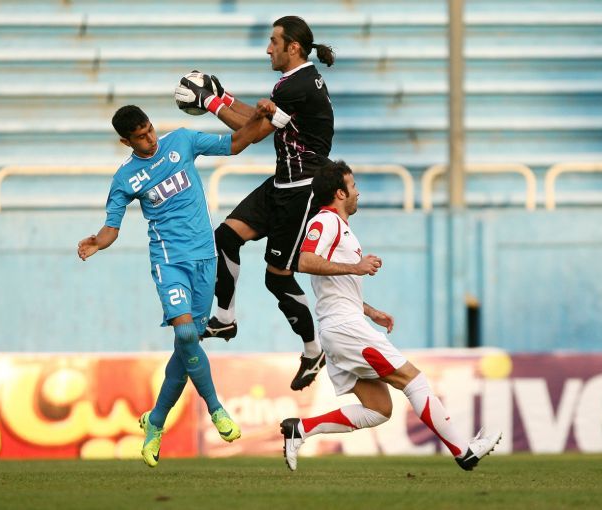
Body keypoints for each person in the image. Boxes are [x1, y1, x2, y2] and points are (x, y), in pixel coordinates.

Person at [77, 102, 273, 468]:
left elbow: (234, 144)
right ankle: (216, 409)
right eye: (140, 137)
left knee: (188, 345)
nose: (150, 139)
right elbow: (111, 227)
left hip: (205, 258)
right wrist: (97, 242)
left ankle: (155, 421)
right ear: (126, 142)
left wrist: (261, 119)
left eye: (150, 130)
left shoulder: (181, 141)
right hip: (169, 261)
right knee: (184, 335)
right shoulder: (125, 178)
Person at [279, 161, 502, 471]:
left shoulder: (340, 227)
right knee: (413, 380)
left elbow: (335, 287)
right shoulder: (325, 221)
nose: (357, 192)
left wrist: (370, 310)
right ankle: (464, 451)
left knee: (379, 409)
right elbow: (305, 261)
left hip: (341, 326)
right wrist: (356, 267)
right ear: (340, 193)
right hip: (345, 329)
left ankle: (300, 429)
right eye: (353, 186)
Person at [174, 15, 336, 391]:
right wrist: (226, 98)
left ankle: (314, 351)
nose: (267, 49)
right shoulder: (296, 81)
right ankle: (225, 318)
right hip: (283, 181)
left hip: (303, 188)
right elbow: (261, 119)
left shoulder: (296, 85)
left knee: (277, 278)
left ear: (293, 47)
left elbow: (252, 134)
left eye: (273, 42)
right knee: (225, 236)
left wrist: (210, 102)